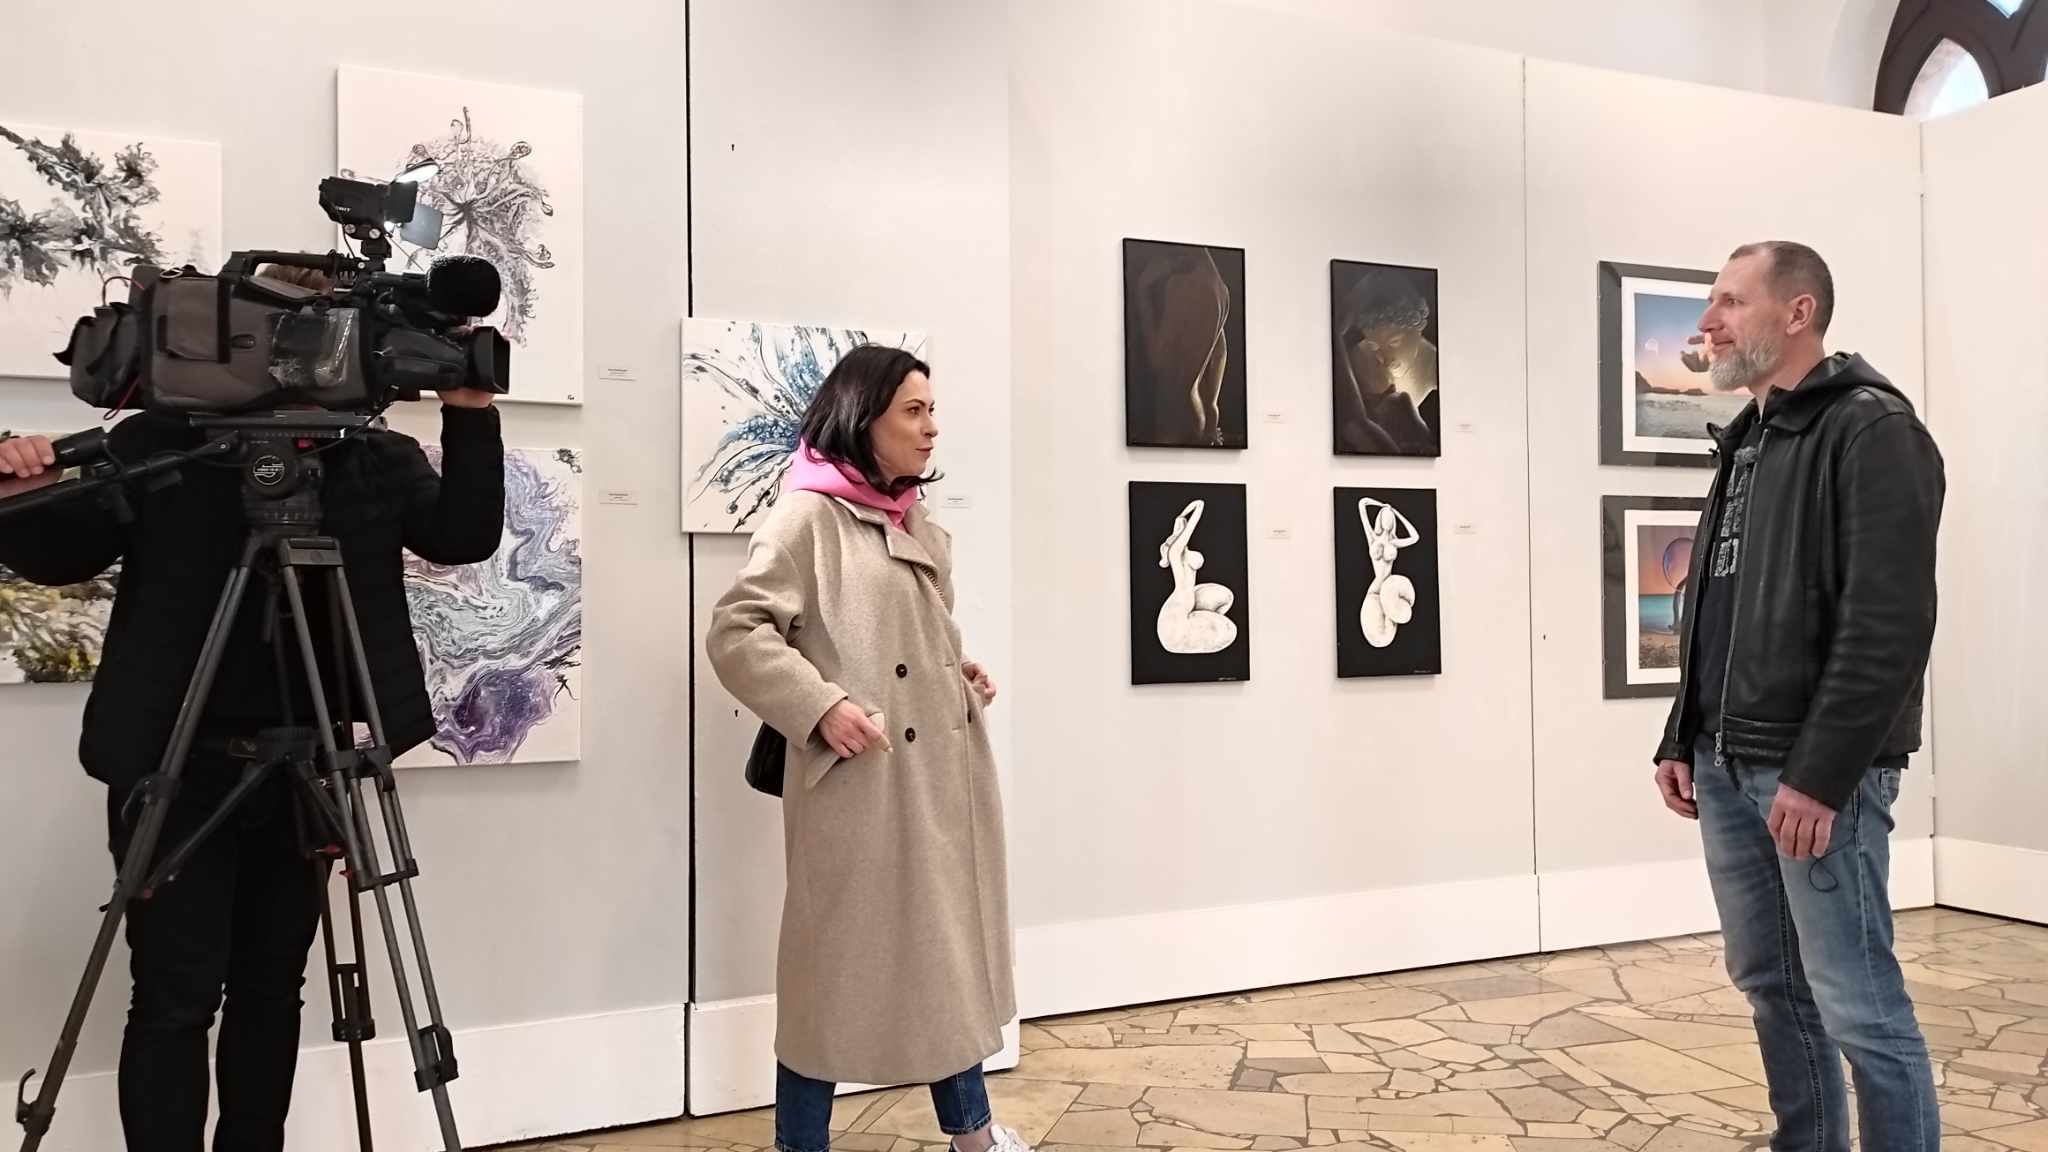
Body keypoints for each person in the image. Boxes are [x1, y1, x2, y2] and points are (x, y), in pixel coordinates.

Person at [0, 273, 504, 1151]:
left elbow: (463, 534)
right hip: (173, 762)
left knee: (273, 988)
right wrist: (16, 485)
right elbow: (62, 554)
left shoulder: (370, 458)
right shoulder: (166, 446)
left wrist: (469, 407)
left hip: (308, 761)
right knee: (176, 994)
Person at [1651, 241, 1944, 1151]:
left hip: (1815, 777)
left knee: (1860, 1006)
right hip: (1726, 763)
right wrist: (1682, 734)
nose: (1708, 324)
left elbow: (1889, 625)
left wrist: (1819, 776)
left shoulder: (1872, 430)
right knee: (1772, 986)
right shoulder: (1749, 437)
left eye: (1730, 302)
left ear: (1798, 312)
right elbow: (1716, 609)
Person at [707, 345, 1025, 1152]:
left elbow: (908, 638)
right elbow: (738, 632)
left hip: (936, 779)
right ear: (863, 418)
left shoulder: (912, 519)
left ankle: (973, 1137)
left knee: (943, 961)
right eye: (913, 411)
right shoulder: (807, 519)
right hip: (863, 785)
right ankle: (801, 1144)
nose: (931, 427)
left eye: (931, 409)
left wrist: (957, 671)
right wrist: (819, 706)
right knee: (827, 983)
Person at [1332, 267, 1438, 455]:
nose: (1384, 359)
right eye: (1374, 346)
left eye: (1394, 342)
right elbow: (1353, 426)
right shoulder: (1359, 359)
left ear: (1418, 329)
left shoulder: (1434, 366)